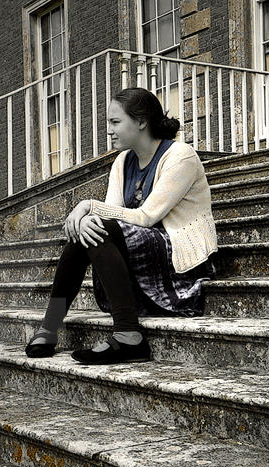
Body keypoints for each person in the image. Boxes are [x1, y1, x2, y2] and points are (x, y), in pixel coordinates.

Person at [25, 87, 218, 365]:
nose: (110, 130)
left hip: (180, 258)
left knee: (97, 229)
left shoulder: (180, 156)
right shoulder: (122, 161)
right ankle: (52, 325)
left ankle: (128, 335)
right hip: (140, 250)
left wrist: (88, 207)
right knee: (86, 234)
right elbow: (112, 214)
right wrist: (87, 220)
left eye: (116, 122)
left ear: (141, 122)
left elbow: (147, 216)